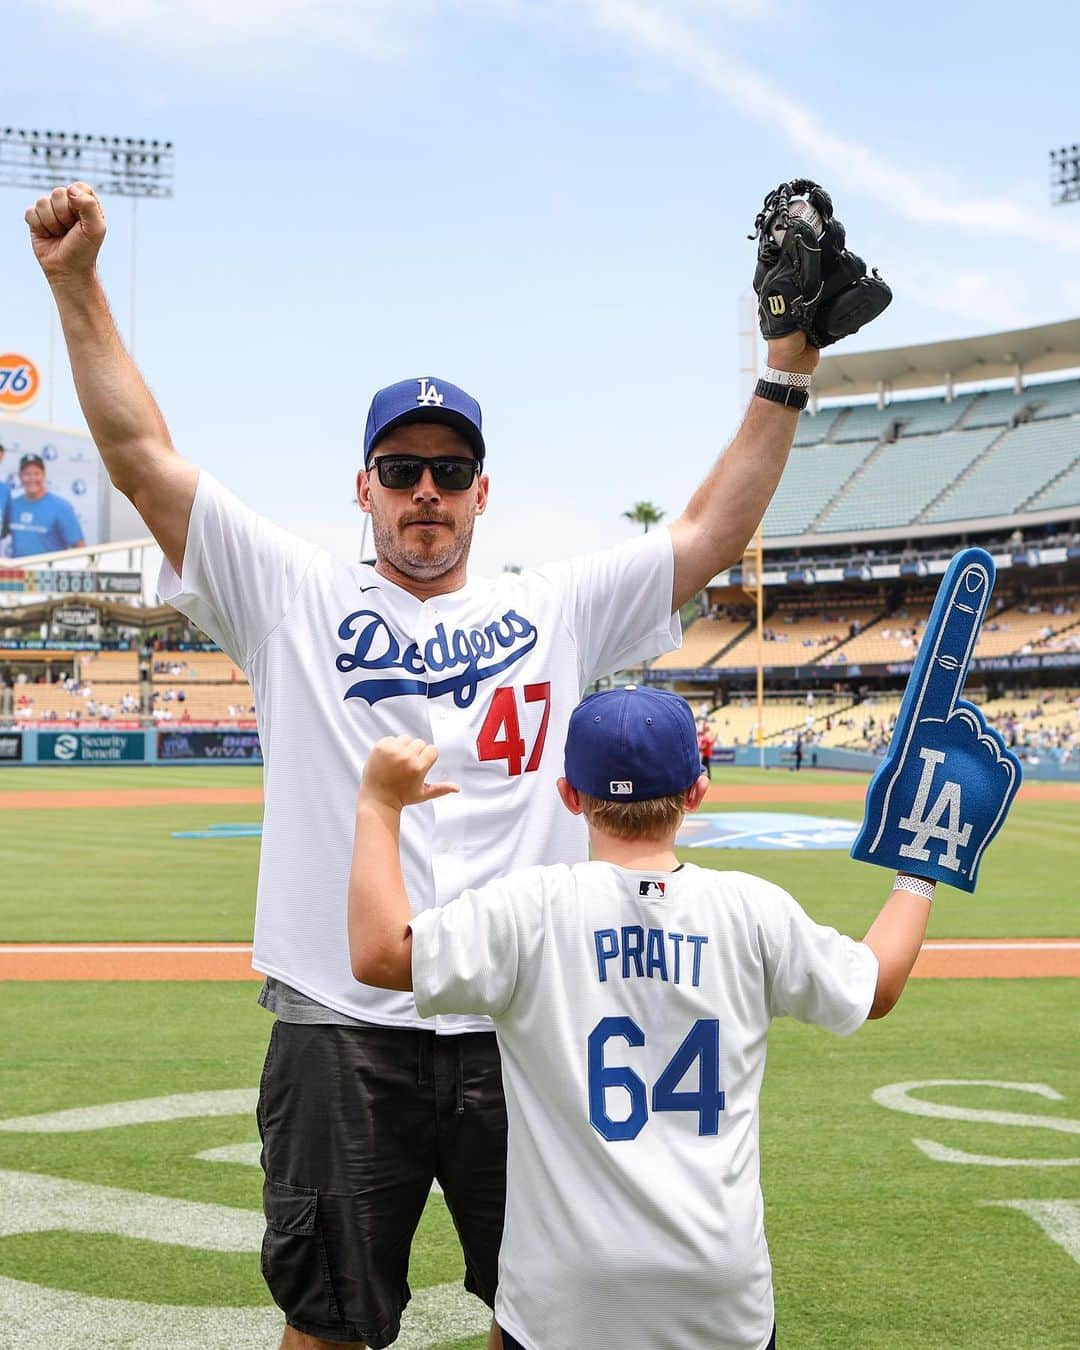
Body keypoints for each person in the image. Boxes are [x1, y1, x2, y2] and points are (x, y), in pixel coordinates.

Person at [27, 180, 819, 1350]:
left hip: (519, 1023)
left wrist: (786, 364)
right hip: (340, 1022)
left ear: (483, 492)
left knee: (546, 1317)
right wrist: (76, 283)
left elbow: (711, 533)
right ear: (364, 489)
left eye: (451, 472)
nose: (427, 493)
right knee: (329, 1320)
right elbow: (140, 456)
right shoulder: (289, 590)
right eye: (401, 472)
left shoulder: (554, 603)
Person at [347, 686, 934, 1350]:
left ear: (570, 795)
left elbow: (379, 954)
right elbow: (877, 985)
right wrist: (919, 869)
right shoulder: (751, 910)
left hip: (566, 1291)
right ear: (696, 792)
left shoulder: (531, 907)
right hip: (717, 1282)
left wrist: (379, 804)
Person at [5, 452, 86, 557]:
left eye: (36, 473)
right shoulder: (12, 505)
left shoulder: (61, 507)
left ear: (43, 475)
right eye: (27, 474)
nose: (32, 478)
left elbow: (80, 548)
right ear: (20, 477)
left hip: (49, 571)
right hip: (19, 571)